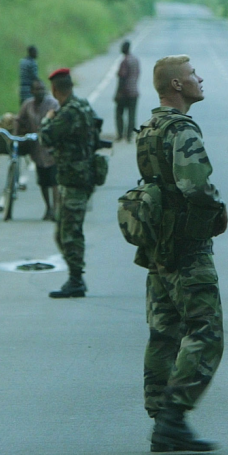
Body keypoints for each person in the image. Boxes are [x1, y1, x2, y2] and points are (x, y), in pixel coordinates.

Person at [137, 55, 228, 452]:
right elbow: (195, 185)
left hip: (158, 244)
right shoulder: (183, 130)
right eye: (193, 75)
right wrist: (217, 212)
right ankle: (174, 417)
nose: (200, 78)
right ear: (177, 85)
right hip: (188, 248)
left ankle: (161, 420)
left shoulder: (149, 128)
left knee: (164, 332)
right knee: (206, 332)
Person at [40, 67, 102, 298]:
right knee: (63, 231)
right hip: (78, 176)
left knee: (70, 232)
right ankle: (76, 276)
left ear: (55, 89)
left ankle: (76, 279)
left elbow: (46, 137)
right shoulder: (83, 106)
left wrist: (47, 120)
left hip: (75, 178)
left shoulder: (67, 113)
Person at [17, 78, 60, 221]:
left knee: (54, 180)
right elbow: (19, 120)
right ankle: (48, 207)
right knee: (43, 181)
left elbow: (58, 118)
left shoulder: (52, 104)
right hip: (36, 149)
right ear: (32, 91)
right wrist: (17, 135)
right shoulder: (27, 105)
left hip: (51, 148)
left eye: (42, 89)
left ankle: (55, 209)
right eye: (37, 89)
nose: (40, 92)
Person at [114, 40, 141, 142]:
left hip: (124, 93)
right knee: (132, 114)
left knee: (119, 113)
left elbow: (122, 78)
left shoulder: (124, 61)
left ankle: (120, 134)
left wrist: (118, 93)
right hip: (134, 92)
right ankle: (129, 135)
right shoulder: (135, 60)